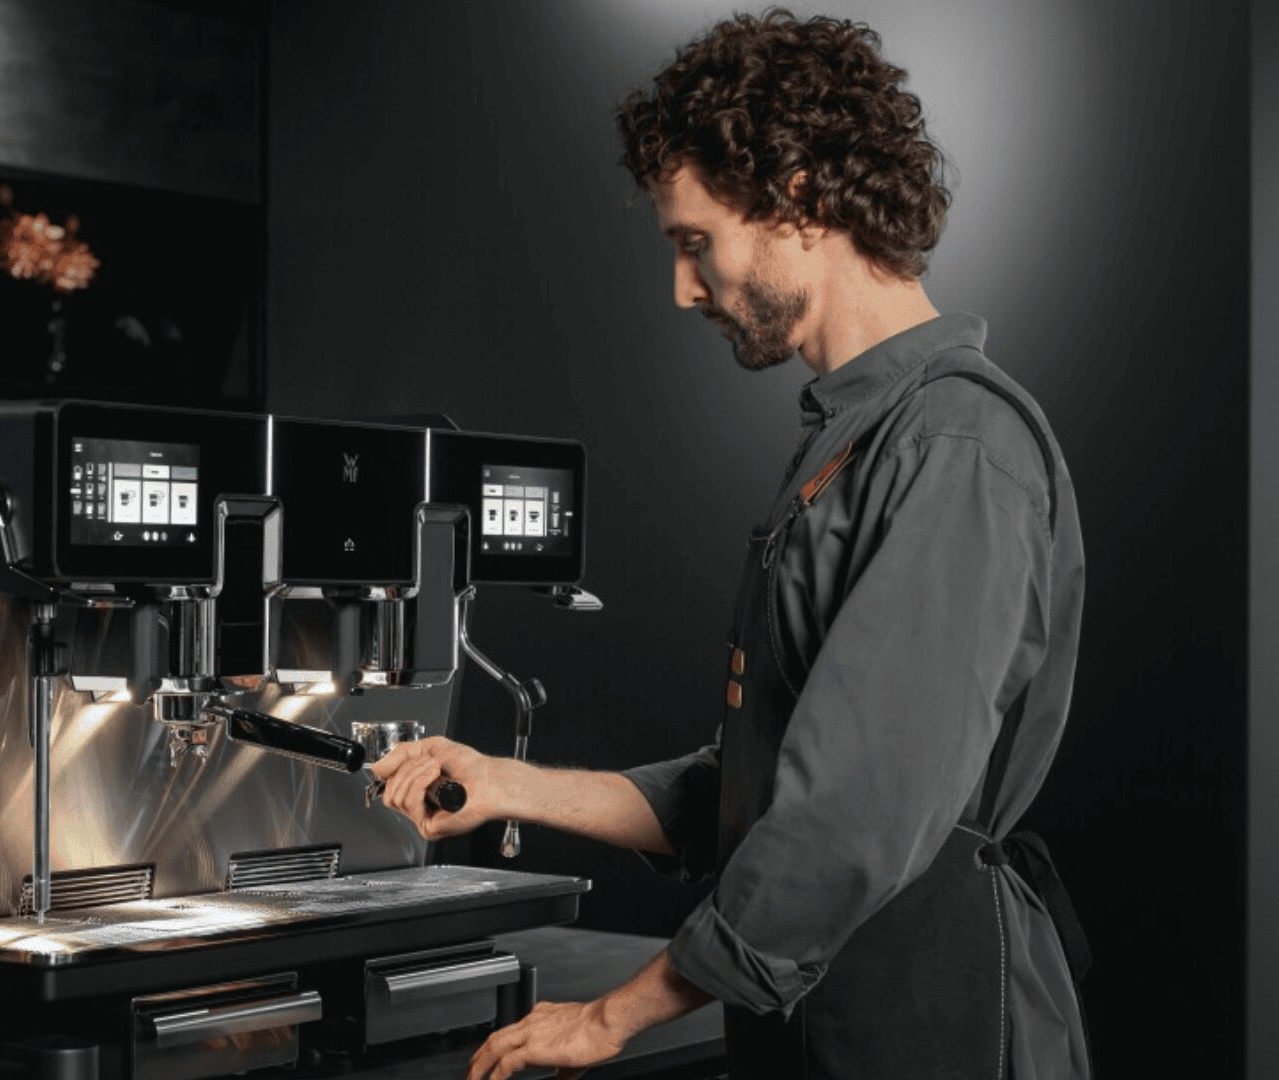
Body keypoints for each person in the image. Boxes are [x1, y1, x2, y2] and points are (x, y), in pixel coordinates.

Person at [367, 9, 1091, 1080]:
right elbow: (758, 792)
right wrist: (509, 784)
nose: (683, 289)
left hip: (929, 1017)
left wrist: (610, 1016)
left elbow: (852, 816)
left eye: (694, 243)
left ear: (797, 200)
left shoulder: (955, 443)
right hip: (820, 1015)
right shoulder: (854, 434)